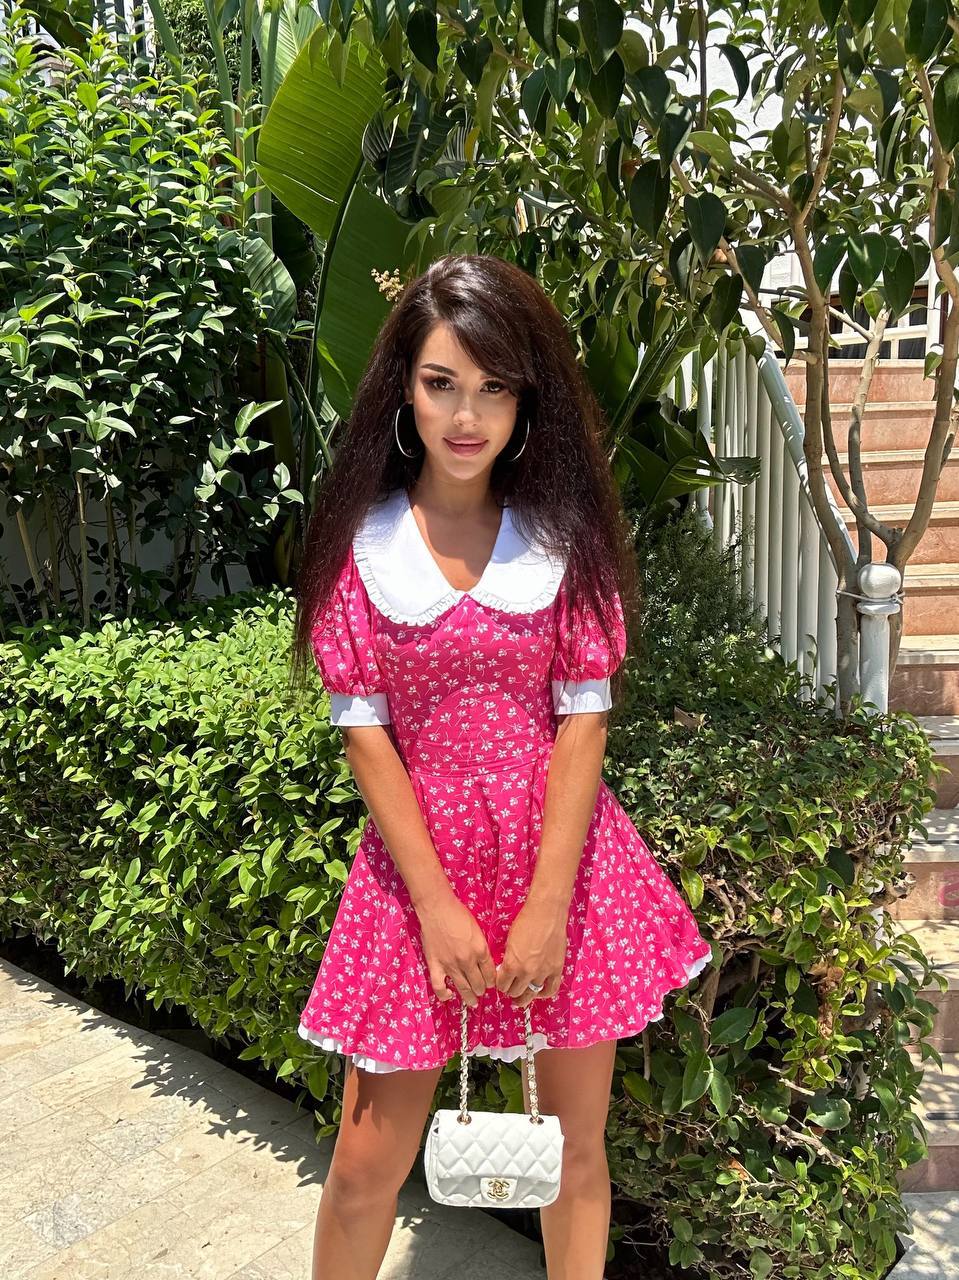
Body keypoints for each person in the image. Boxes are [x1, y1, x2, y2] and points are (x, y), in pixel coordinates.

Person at [289, 254, 712, 1280]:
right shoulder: (363, 544)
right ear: (404, 388)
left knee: (571, 1157)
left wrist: (546, 905)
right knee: (359, 1163)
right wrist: (433, 903)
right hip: (413, 883)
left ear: (527, 398)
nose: (465, 415)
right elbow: (365, 730)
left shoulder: (563, 543)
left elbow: (582, 722)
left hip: (559, 871)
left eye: (492, 387)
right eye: (440, 383)